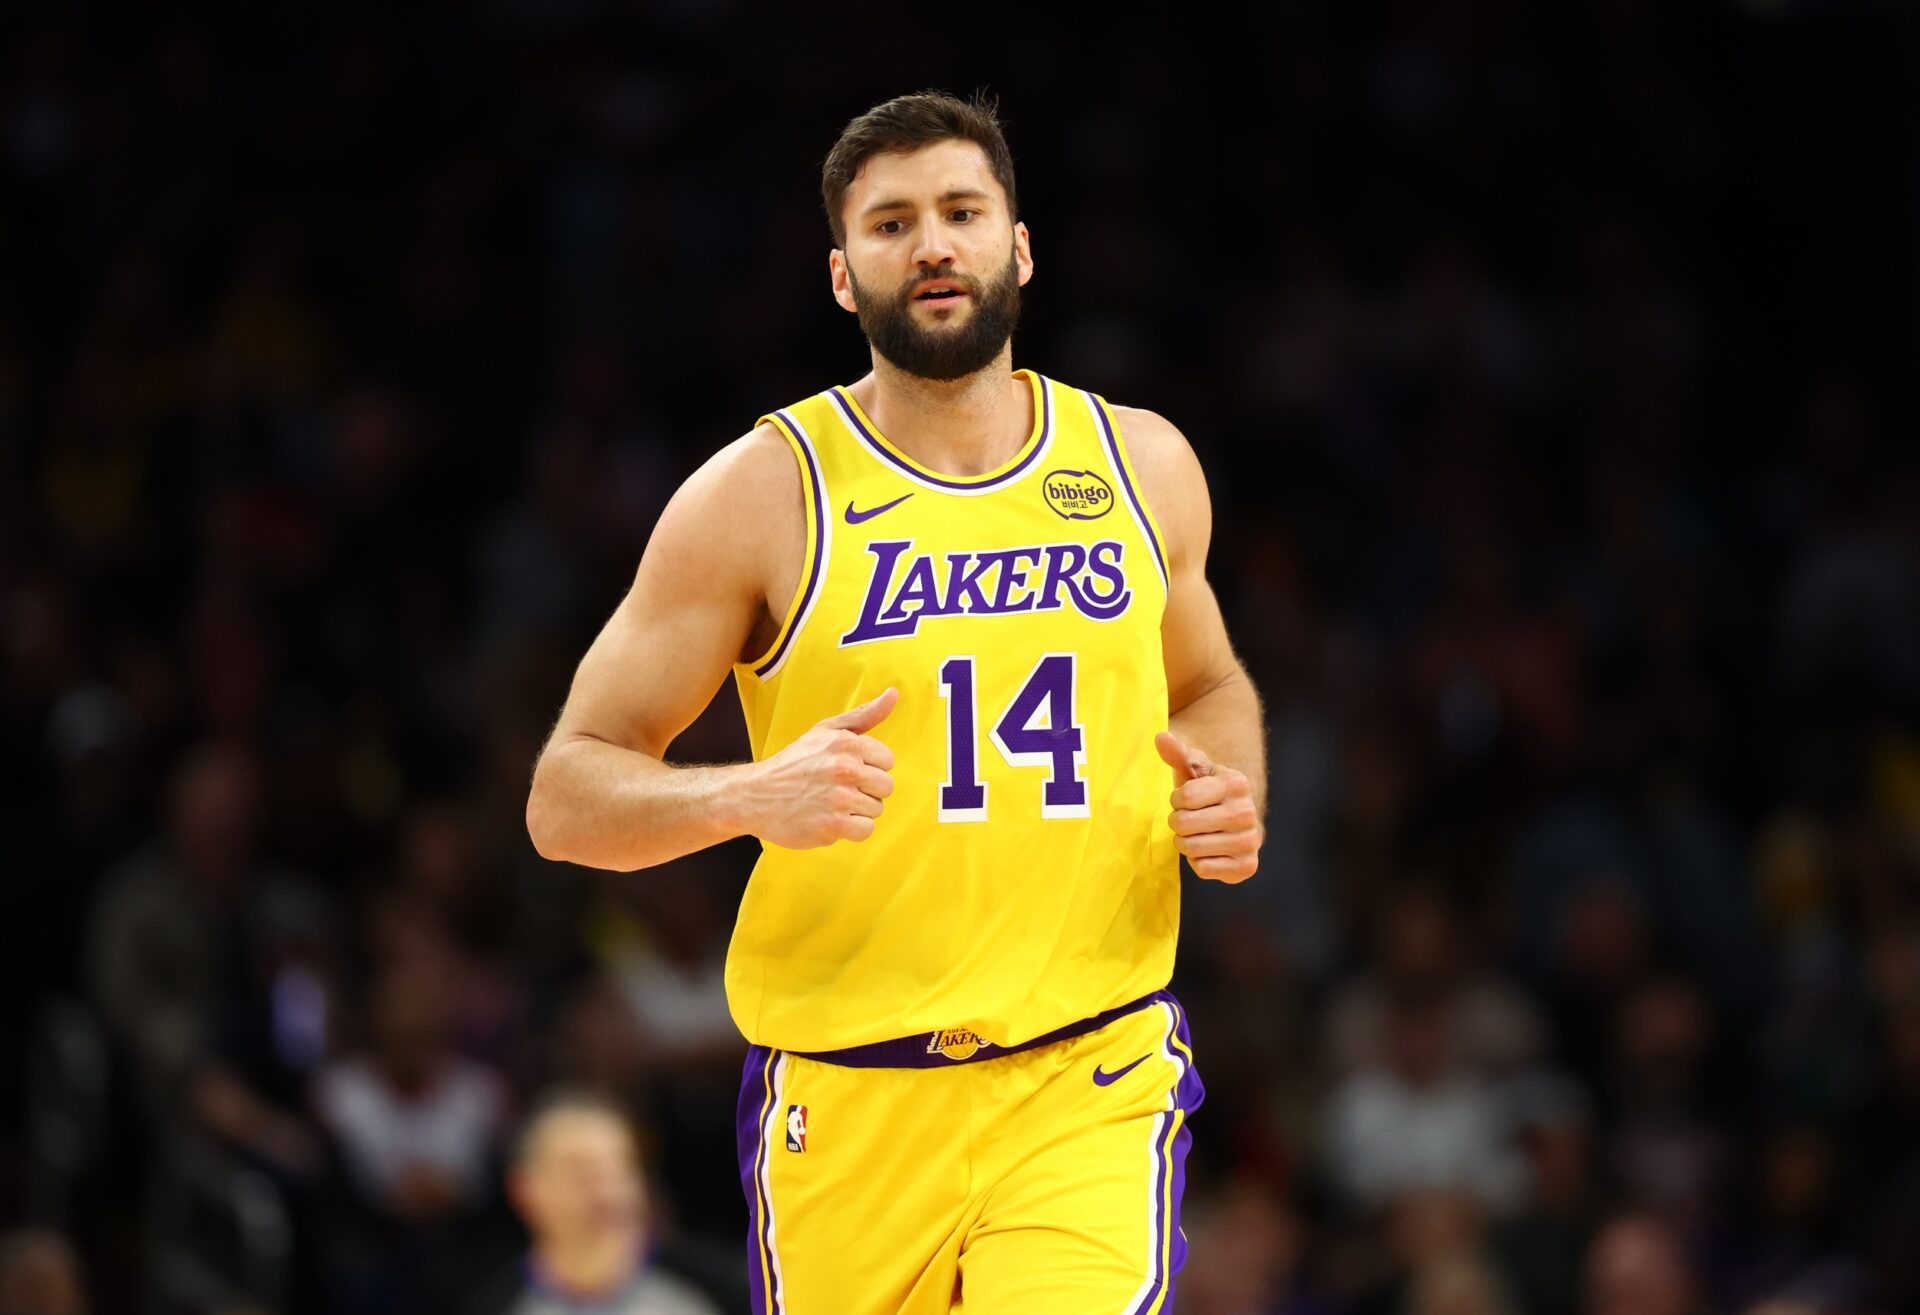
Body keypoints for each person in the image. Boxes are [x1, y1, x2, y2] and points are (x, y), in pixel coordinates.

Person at [526, 89, 1266, 1314]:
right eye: (891, 223)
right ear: (841, 274)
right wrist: (748, 794)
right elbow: (564, 796)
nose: (932, 244)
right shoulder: (760, 495)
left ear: (1017, 247)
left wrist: (1230, 791)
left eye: (962, 213)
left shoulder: (1141, 463)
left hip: (1087, 1072)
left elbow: (1211, 685)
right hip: (848, 1096)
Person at [467, 1090, 721, 1315]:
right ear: (522, 1189)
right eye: (580, 1170)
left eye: (621, 1166)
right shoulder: (488, 1305)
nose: (606, 1190)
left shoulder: (718, 1288)